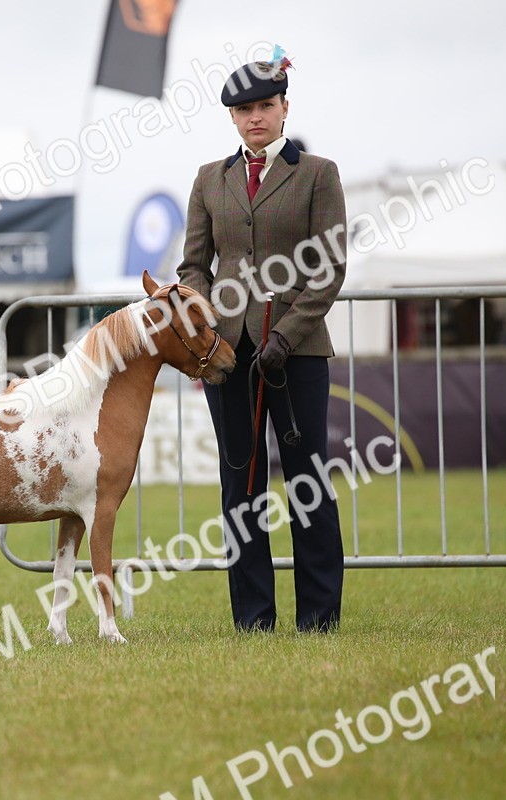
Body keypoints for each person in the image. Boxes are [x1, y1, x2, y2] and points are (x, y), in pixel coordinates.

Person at [177, 50, 347, 633]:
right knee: (240, 485)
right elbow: (193, 266)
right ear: (232, 117)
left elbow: (328, 268)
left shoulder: (318, 173)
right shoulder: (208, 179)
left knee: (306, 482)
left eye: (265, 106)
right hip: (228, 355)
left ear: (284, 108)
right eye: (245, 109)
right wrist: (206, 313)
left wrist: (287, 334)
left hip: (296, 352)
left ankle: (319, 618)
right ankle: (253, 618)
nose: (256, 117)